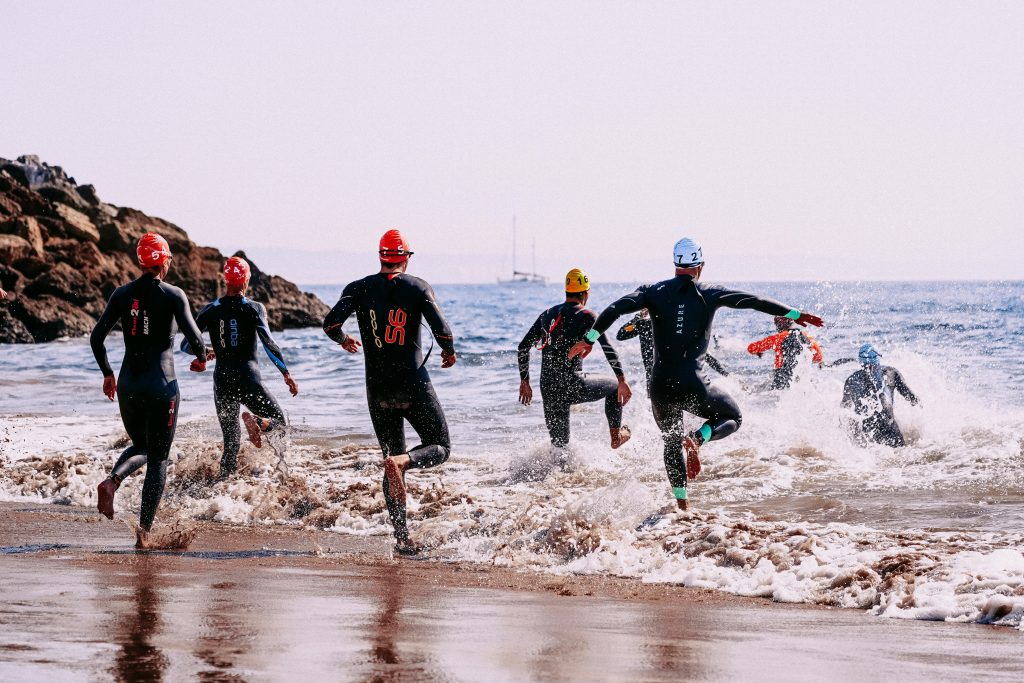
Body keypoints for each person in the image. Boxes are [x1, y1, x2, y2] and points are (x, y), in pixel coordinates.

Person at [569, 237, 823, 510]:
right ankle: (699, 438)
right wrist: (795, 313)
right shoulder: (710, 293)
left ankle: (682, 505)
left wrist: (590, 338)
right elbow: (753, 301)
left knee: (670, 442)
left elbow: (615, 308)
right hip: (694, 383)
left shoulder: (651, 292)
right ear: (700, 266)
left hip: (660, 386)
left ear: (676, 264)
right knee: (732, 416)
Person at [322, 229, 456, 555]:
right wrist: (448, 352)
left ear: (381, 257)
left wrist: (344, 340)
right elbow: (443, 330)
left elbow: (329, 324)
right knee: (440, 445)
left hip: (377, 387)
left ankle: (402, 537)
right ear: (405, 258)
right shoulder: (418, 287)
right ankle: (404, 462)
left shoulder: (358, 288)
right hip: (413, 382)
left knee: (389, 454)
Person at [90, 233, 207, 548]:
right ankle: (143, 534)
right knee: (158, 457)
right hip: (161, 386)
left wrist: (107, 373)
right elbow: (195, 338)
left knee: (141, 444)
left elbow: (96, 338)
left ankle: (113, 480)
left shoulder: (121, 294)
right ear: (165, 260)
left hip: (128, 384)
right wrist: (202, 358)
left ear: (141, 261)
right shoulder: (173, 294)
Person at [186, 257, 299, 477]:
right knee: (280, 425)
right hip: (249, 379)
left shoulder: (210, 310)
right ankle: (258, 422)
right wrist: (286, 374)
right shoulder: (254, 308)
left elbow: (187, 343)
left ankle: (222, 486)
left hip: (222, 381)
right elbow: (268, 343)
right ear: (246, 279)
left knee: (231, 441)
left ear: (225, 280)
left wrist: (204, 355)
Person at [518, 268, 632, 449]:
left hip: (548, 387)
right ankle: (616, 437)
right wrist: (622, 379)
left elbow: (523, 347)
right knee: (614, 388)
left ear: (566, 292)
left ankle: (557, 475)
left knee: (560, 448)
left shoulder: (547, 314)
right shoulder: (588, 316)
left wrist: (525, 381)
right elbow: (608, 347)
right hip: (572, 384)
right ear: (585, 293)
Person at [617, 309, 731, 385]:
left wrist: (725, 374)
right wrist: (636, 319)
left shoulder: (671, 324)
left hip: (675, 378)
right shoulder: (642, 324)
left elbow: (700, 353)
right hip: (654, 380)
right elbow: (621, 335)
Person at [841, 343, 919, 447]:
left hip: (867, 433)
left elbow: (844, 411)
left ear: (860, 361)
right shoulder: (891, 373)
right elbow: (911, 398)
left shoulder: (850, 380)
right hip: (889, 428)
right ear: (877, 357)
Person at [746, 315, 824, 390]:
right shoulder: (806, 337)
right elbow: (818, 357)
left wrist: (759, 351)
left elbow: (751, 348)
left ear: (779, 324)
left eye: (776, 322)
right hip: (801, 378)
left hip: (781, 380)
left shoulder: (778, 338)